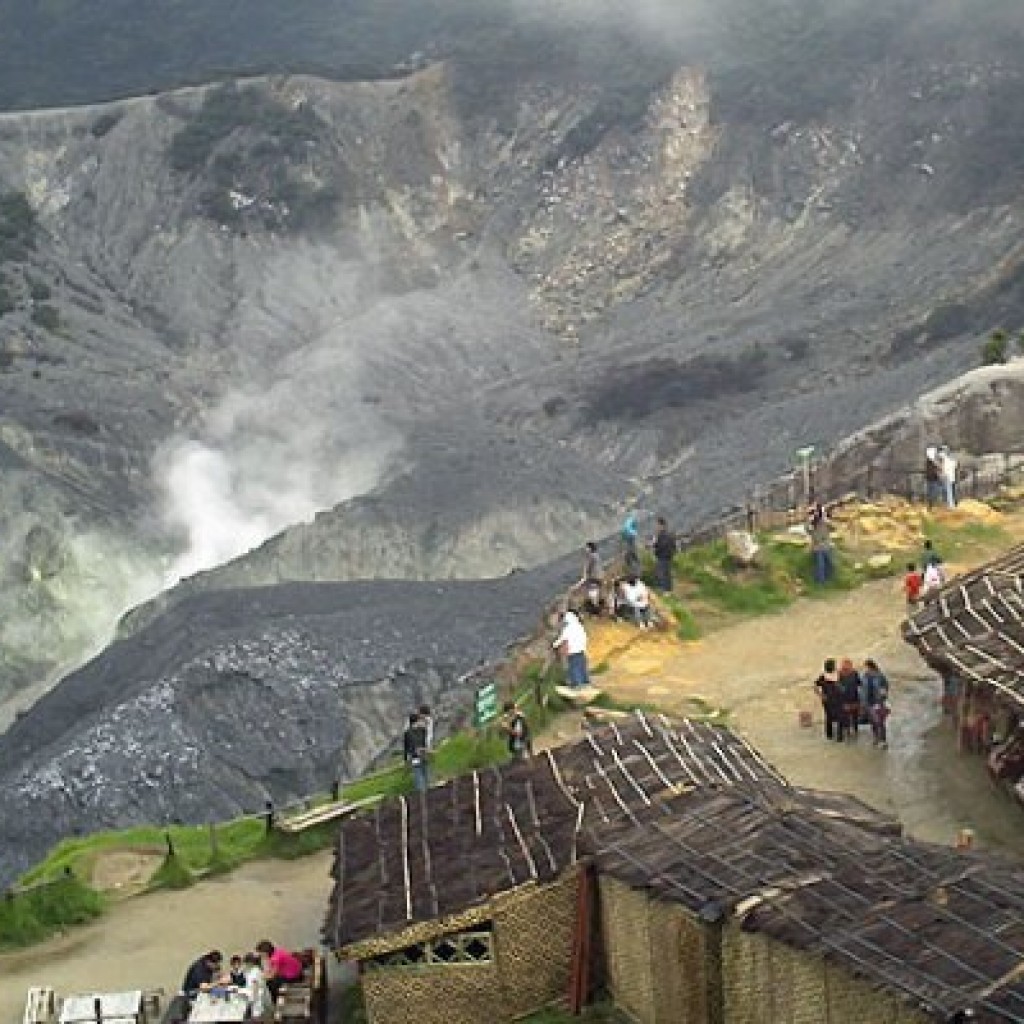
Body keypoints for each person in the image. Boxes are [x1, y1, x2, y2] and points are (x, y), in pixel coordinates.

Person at [553, 608, 590, 688]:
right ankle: (585, 683)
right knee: (582, 667)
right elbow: (585, 637)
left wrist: (555, 644)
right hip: (581, 651)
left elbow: (562, 638)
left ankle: (577, 685)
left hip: (573, 652)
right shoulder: (580, 626)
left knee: (574, 668)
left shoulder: (568, 628)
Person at [814, 659, 845, 743]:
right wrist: (821, 695)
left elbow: (843, 688)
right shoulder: (824, 676)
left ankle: (836, 737)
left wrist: (821, 695)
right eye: (834, 665)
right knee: (831, 717)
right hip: (830, 700)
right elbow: (815, 686)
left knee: (836, 717)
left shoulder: (836, 675)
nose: (835, 666)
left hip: (836, 700)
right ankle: (832, 736)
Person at [862, 659, 890, 749]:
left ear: (870, 666)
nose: (865, 669)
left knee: (879, 722)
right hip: (868, 703)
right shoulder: (865, 676)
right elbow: (862, 689)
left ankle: (883, 741)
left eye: (866, 666)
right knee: (873, 722)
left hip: (877, 702)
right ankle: (876, 738)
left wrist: (881, 700)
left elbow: (885, 689)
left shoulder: (880, 676)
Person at [403, 711, 430, 792]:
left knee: (424, 779)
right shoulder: (409, 733)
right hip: (418, 758)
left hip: (420, 757)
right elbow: (407, 748)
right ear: (417, 721)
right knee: (422, 780)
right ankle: (423, 796)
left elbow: (407, 748)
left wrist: (406, 760)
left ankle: (425, 795)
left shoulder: (421, 731)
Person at [576, 541, 605, 616]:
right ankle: (597, 607)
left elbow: (586, 567)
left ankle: (596, 609)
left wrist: (583, 577)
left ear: (590, 548)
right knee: (596, 592)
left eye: (586, 547)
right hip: (600, 576)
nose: (585, 549)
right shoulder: (597, 555)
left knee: (592, 593)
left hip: (593, 577)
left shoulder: (590, 556)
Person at [838, 658, 863, 739]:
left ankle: (855, 731)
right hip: (844, 700)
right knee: (846, 717)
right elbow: (836, 685)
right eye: (845, 665)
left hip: (854, 698)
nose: (848, 667)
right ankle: (847, 732)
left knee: (855, 717)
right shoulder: (839, 674)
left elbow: (860, 683)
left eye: (849, 665)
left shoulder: (855, 673)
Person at [243, 952, 272, 1019]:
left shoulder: (255, 971)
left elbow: (255, 987)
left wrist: (251, 1000)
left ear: (250, 963)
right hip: (258, 996)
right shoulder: (255, 970)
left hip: (257, 999)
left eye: (245, 963)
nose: (244, 965)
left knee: (257, 1017)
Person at [652, 517, 677, 592]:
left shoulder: (661, 535)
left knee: (661, 573)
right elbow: (673, 545)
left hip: (662, 556)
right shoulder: (669, 534)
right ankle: (669, 590)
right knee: (667, 573)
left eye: (657, 525)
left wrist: (655, 544)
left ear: (661, 525)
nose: (656, 527)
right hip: (669, 556)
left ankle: (663, 590)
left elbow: (661, 545)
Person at [810, 514, 833, 585]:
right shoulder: (815, 530)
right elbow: (816, 540)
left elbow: (833, 527)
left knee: (828, 564)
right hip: (820, 549)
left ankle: (826, 579)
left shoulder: (824, 526)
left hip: (825, 548)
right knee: (821, 565)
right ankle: (821, 581)